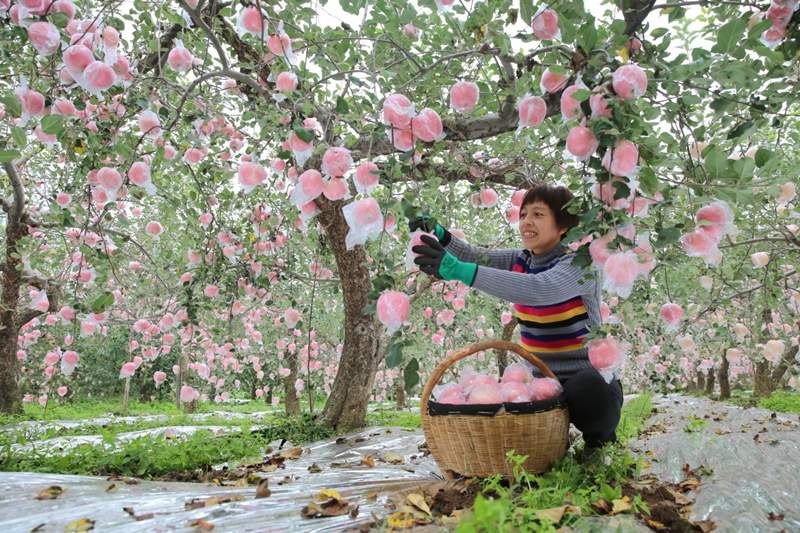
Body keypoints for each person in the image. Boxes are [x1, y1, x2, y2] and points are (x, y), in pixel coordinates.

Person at [410, 183, 623, 452]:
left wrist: (458, 270)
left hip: (585, 379)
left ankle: (600, 442)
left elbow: (541, 288)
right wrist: (440, 234)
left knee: (591, 389)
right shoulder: (520, 260)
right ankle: (550, 442)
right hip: (540, 384)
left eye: (538, 214)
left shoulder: (580, 263)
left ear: (563, 226)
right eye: (523, 215)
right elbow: (475, 255)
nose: (526, 222)